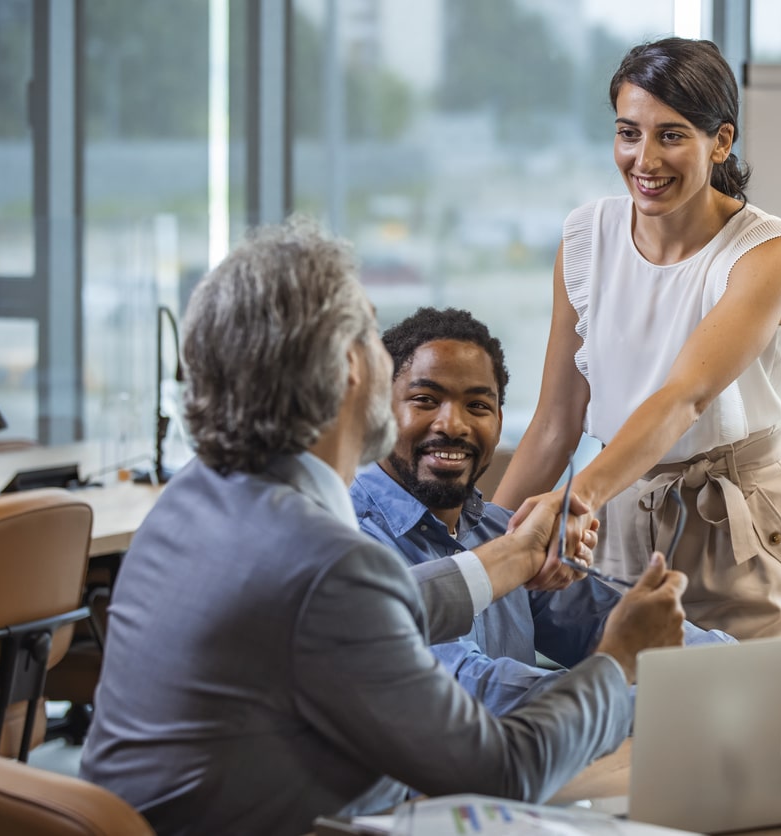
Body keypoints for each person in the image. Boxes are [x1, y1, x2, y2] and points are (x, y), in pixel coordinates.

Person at [79, 219, 688, 836]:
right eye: (374, 336)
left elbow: (361, 609)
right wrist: (618, 662)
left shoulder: (193, 498)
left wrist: (512, 557)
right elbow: (503, 770)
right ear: (349, 366)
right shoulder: (326, 563)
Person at [493, 37, 781, 640]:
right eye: (628, 132)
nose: (644, 159)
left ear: (720, 141)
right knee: (631, 719)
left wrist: (577, 498)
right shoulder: (588, 235)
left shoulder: (769, 251)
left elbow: (685, 396)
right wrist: (483, 545)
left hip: (737, 520)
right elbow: (556, 423)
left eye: (671, 135)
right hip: (619, 507)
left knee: (745, 723)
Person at [351, 307, 734, 715]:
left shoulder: (501, 530)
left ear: (499, 421)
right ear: (378, 412)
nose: (453, 425)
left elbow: (604, 621)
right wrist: (643, 700)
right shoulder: (349, 540)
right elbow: (470, 689)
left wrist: (737, 669)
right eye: (425, 400)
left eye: (477, 406)